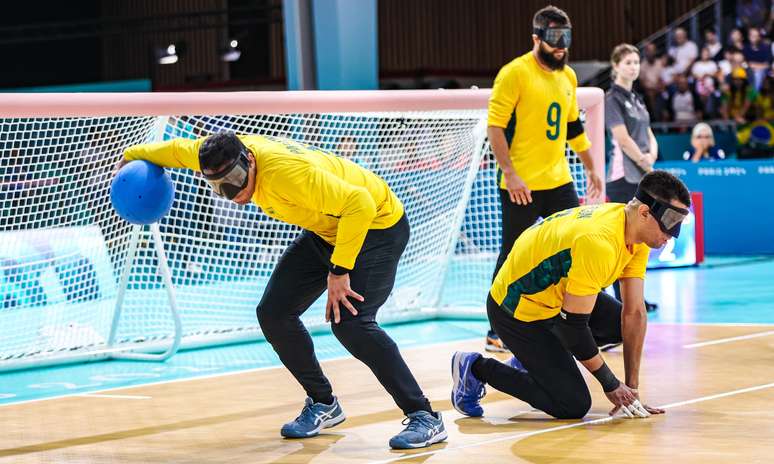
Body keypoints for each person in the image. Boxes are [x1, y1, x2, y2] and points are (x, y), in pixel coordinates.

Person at [115, 132, 446, 449]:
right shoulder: (216, 155)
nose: (231, 193)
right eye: (218, 187)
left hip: (375, 227)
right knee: (273, 313)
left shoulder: (286, 174)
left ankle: (424, 416)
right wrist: (130, 158)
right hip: (327, 228)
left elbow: (358, 204)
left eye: (233, 180)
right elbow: (174, 151)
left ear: (249, 159)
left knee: (352, 325)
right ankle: (323, 403)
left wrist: (339, 270)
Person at [452, 170, 690, 421]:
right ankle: (475, 368)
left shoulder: (635, 233)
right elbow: (573, 330)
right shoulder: (599, 243)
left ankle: (531, 362)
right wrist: (611, 384)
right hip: (516, 310)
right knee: (572, 404)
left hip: (555, 295)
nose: (671, 236)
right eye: (668, 227)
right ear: (644, 213)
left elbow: (634, 314)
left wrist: (631, 390)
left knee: (619, 326)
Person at [484, 5, 603, 353]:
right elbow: (495, 126)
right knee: (513, 253)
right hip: (521, 184)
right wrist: (511, 174)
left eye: (566, 37)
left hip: (559, 180)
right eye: (554, 38)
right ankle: (496, 330)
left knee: (578, 243)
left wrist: (592, 167)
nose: (561, 45)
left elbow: (572, 127)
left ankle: (578, 325)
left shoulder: (567, 77)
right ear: (536, 38)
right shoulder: (514, 73)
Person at [604, 44, 660, 313]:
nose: (633, 66)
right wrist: (643, 161)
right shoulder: (611, 99)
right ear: (615, 66)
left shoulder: (637, 99)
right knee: (624, 239)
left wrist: (652, 157)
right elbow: (622, 139)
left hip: (642, 174)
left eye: (636, 62)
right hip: (622, 176)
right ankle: (620, 300)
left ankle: (636, 298)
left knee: (639, 241)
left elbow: (649, 133)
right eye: (627, 62)